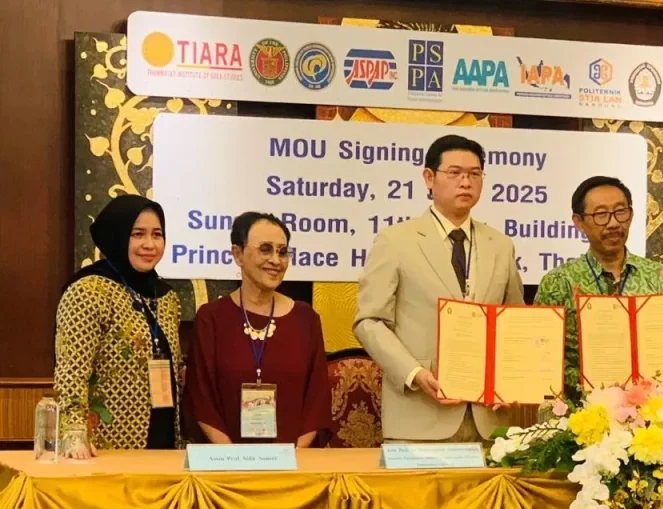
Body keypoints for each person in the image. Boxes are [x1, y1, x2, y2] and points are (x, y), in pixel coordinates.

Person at [354, 135, 525, 442]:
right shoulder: (396, 241)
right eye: (455, 173)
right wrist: (414, 374)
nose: (466, 182)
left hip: (488, 421)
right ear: (429, 178)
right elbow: (369, 321)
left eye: (474, 174)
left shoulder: (500, 245)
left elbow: (514, 321)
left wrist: (511, 380)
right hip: (420, 414)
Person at [185, 212, 332, 446]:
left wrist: (294, 456)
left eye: (282, 252)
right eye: (265, 249)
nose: (276, 260)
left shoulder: (306, 319)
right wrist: (233, 457)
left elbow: (317, 402)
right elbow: (201, 400)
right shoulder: (211, 318)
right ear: (238, 254)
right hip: (226, 460)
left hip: (295, 461)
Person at [54, 195, 182, 457]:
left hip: (164, 439)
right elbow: (71, 371)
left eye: (157, 234)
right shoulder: (89, 291)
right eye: (138, 234)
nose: (149, 244)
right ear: (118, 235)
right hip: (104, 446)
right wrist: (74, 432)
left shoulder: (166, 297)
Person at [534, 176, 663, 401]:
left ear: (631, 215)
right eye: (601, 214)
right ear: (579, 222)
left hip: (650, 409)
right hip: (579, 411)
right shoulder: (558, 282)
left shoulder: (661, 278)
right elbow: (542, 355)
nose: (613, 223)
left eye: (620, 212)